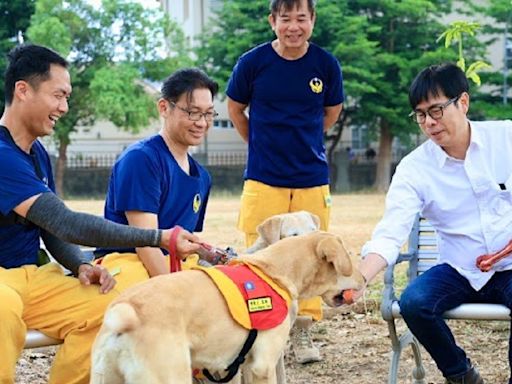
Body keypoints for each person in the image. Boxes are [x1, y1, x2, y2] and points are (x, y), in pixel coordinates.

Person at [0, 44, 200, 384]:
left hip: (32, 276)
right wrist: (158, 238)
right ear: (23, 90)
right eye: (58, 95)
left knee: (112, 308)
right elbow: (67, 222)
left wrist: (80, 265)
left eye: (67, 97)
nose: (64, 107)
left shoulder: (37, 154)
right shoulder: (2, 156)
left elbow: (51, 230)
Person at [357, 62, 512, 384]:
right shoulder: (415, 168)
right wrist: (360, 278)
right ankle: (461, 374)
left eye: (437, 110)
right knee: (414, 302)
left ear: (463, 102)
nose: (429, 122)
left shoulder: (506, 139)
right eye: (420, 114)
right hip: (458, 268)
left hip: (509, 265)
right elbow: (391, 232)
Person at [226, 0, 344, 364]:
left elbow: (331, 112)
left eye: (302, 18)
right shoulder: (253, 63)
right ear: (272, 21)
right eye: (286, 19)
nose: (294, 26)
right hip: (264, 178)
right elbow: (234, 107)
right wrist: (260, 143)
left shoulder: (325, 64)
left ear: (313, 21)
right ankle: (257, 330)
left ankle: (303, 334)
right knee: (259, 253)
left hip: (311, 177)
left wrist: (304, 142)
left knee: (315, 257)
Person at [96, 68, 218, 287]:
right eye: (192, 112)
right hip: (129, 267)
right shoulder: (141, 160)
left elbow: (182, 242)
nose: (202, 122)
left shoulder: (202, 177)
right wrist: (173, 292)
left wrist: (213, 256)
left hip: (172, 267)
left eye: (208, 114)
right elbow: (146, 243)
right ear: (164, 107)